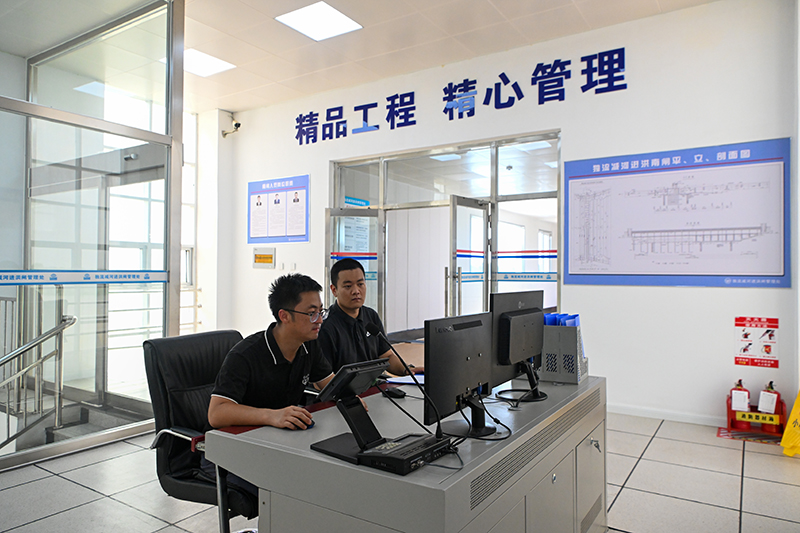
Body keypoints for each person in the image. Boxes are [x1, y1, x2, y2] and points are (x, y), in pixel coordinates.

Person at [207, 273, 334, 431]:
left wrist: (351, 396)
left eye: (321, 312)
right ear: (284, 316)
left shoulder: (308, 344)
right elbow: (216, 414)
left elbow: (331, 385)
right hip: (242, 436)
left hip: (283, 433)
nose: (319, 320)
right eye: (311, 314)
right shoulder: (244, 355)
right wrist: (272, 416)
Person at [318, 258, 421, 375]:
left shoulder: (371, 316)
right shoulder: (326, 326)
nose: (356, 291)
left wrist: (407, 370)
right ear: (334, 290)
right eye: (348, 286)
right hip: (347, 386)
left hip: (376, 383)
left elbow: (386, 355)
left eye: (360, 284)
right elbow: (324, 377)